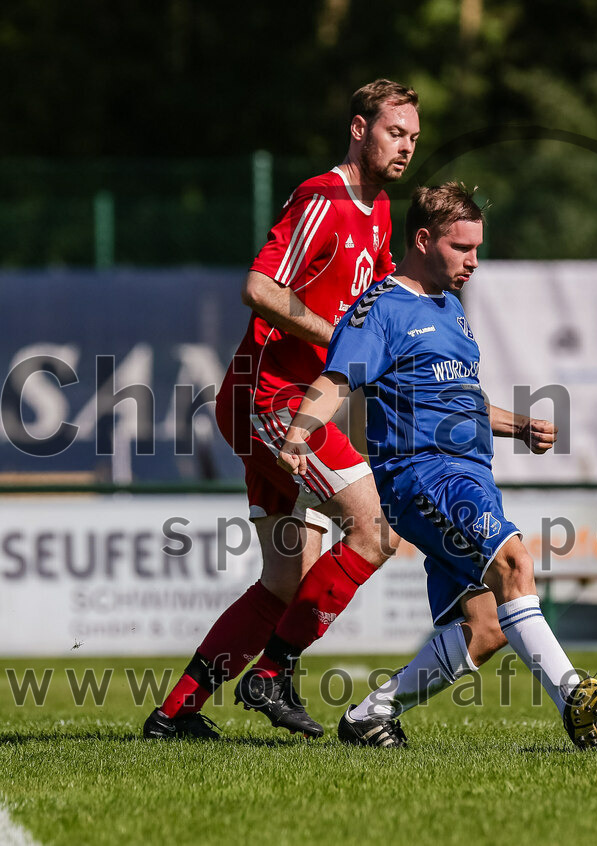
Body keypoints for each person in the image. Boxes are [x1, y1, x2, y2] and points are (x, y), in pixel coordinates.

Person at [276, 183, 597, 750]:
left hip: (470, 474)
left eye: (478, 249)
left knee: (487, 628)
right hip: (424, 475)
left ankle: (370, 716)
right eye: (462, 248)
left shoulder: (449, 307)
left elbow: (456, 397)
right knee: (514, 564)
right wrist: (301, 432)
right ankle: (572, 694)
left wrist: (518, 425)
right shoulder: (381, 309)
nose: (473, 261)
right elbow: (337, 379)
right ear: (423, 240)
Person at [143, 79, 419, 741]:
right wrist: (336, 340)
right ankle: (272, 673)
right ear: (359, 128)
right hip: (272, 399)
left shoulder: (378, 207)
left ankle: (174, 713)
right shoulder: (324, 196)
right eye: (394, 132)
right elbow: (258, 287)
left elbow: (376, 301)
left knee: (284, 581)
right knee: (375, 529)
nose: (405, 147)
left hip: (282, 403)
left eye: (412, 137)